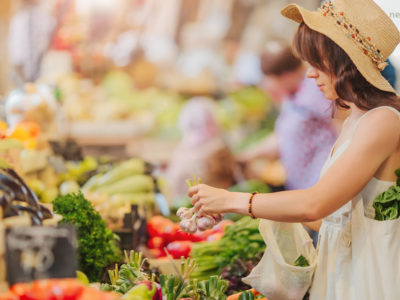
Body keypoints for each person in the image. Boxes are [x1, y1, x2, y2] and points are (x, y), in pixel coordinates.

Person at [188, 0, 400, 299]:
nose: (310, 74)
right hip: (344, 272)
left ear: (343, 63)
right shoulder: (355, 119)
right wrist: (245, 209)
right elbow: (326, 219)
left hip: (369, 277)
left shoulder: (383, 121)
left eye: (317, 62)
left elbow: (316, 205)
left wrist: (233, 199)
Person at [240, 41, 337, 190]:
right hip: (303, 185)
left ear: (285, 75)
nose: (268, 85)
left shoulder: (316, 90)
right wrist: (249, 155)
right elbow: (283, 136)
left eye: (271, 79)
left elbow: (340, 126)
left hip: (322, 183)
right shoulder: (291, 95)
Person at [166, 97, 236, 202]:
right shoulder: (183, 148)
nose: (202, 128)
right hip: (190, 203)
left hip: (209, 204)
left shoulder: (218, 149)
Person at [8, 0, 55, 82]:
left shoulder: (45, 18)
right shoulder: (19, 20)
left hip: (45, 76)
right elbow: (16, 58)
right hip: (26, 76)